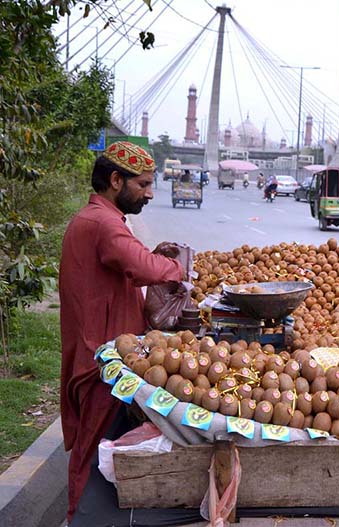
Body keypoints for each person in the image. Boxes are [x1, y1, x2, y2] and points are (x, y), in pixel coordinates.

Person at [59, 141, 185, 520]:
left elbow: (130, 260)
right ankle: (76, 516)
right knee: (92, 448)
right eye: (143, 185)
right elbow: (142, 266)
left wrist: (155, 256)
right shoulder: (102, 223)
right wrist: (179, 271)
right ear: (116, 180)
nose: (149, 193)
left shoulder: (106, 220)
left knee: (101, 444)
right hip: (100, 358)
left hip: (108, 352)